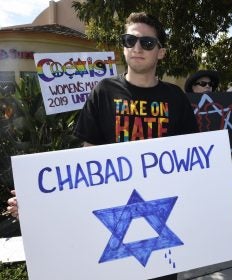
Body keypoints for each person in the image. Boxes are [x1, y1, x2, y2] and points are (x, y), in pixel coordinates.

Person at [8, 11, 199, 280]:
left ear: (161, 52)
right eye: (129, 40)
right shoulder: (104, 91)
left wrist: (222, 197)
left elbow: (194, 162)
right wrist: (37, 202)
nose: (136, 48)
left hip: (159, 220)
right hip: (111, 220)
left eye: (147, 43)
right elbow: (87, 165)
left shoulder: (175, 97)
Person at [184, 70, 232, 218]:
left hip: (220, 163)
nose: (208, 87)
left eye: (210, 84)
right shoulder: (182, 107)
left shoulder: (220, 107)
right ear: (192, 88)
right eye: (203, 84)